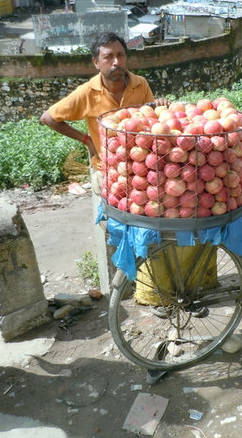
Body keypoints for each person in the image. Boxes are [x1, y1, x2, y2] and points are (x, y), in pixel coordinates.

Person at [40, 32, 163, 293]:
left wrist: (160, 107)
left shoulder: (140, 84)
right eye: (109, 57)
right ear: (97, 62)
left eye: (121, 55)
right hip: (108, 173)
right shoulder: (87, 92)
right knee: (117, 233)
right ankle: (123, 288)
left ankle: (152, 287)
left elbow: (151, 118)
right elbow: (49, 118)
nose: (116, 61)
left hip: (142, 173)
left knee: (151, 229)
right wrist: (86, 139)